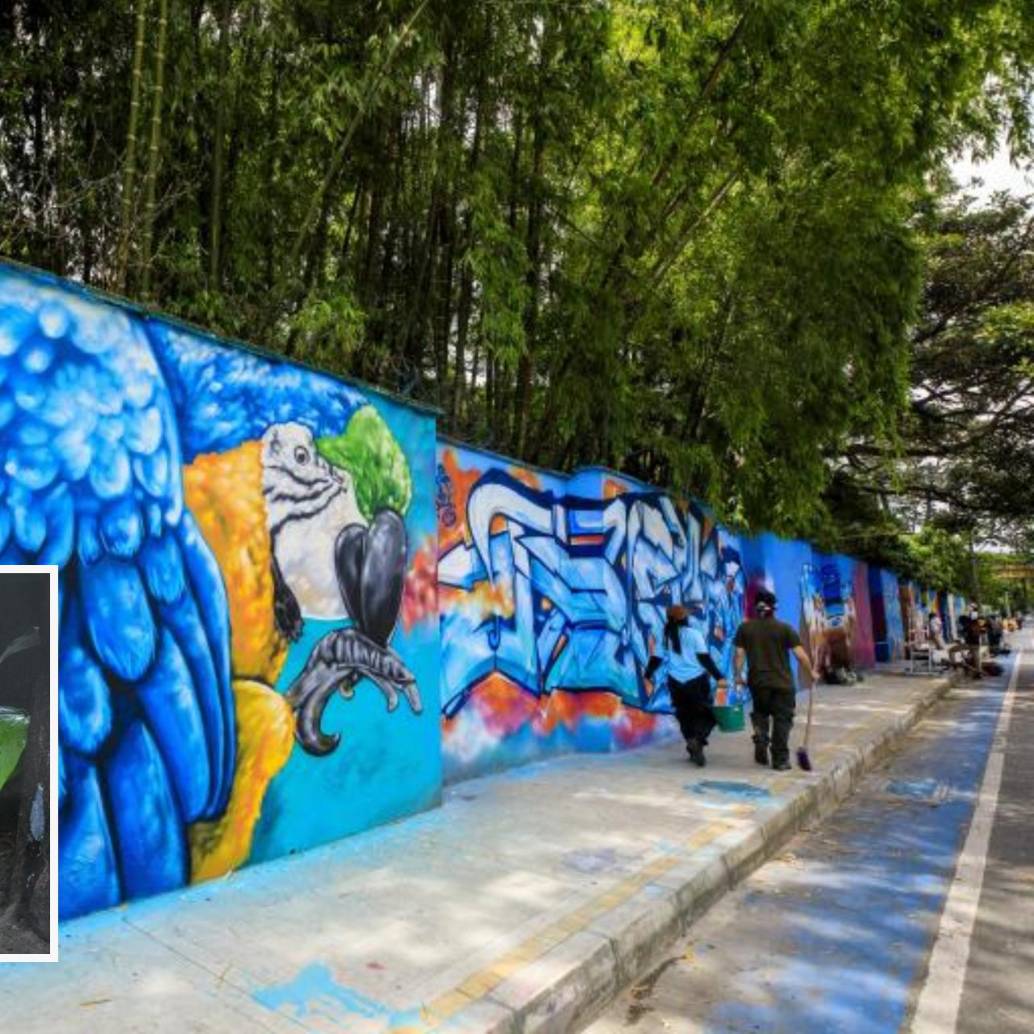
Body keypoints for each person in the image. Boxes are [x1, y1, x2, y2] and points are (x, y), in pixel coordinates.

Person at [733, 589, 821, 771]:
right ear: (774, 608)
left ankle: (761, 738)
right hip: (782, 683)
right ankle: (780, 759)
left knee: (761, 713)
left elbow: (739, 654)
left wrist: (737, 676)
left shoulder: (745, 628)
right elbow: (800, 655)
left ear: (756, 608)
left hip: (758, 682)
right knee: (782, 719)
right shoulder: (784, 628)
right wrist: (811, 672)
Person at [646, 603, 727, 767]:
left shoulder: (666, 636)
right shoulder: (694, 634)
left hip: (675, 682)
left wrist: (647, 674)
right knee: (708, 715)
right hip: (696, 681)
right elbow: (705, 659)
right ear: (685, 619)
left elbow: (656, 659)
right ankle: (697, 740)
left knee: (685, 716)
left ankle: (692, 742)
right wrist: (719, 677)